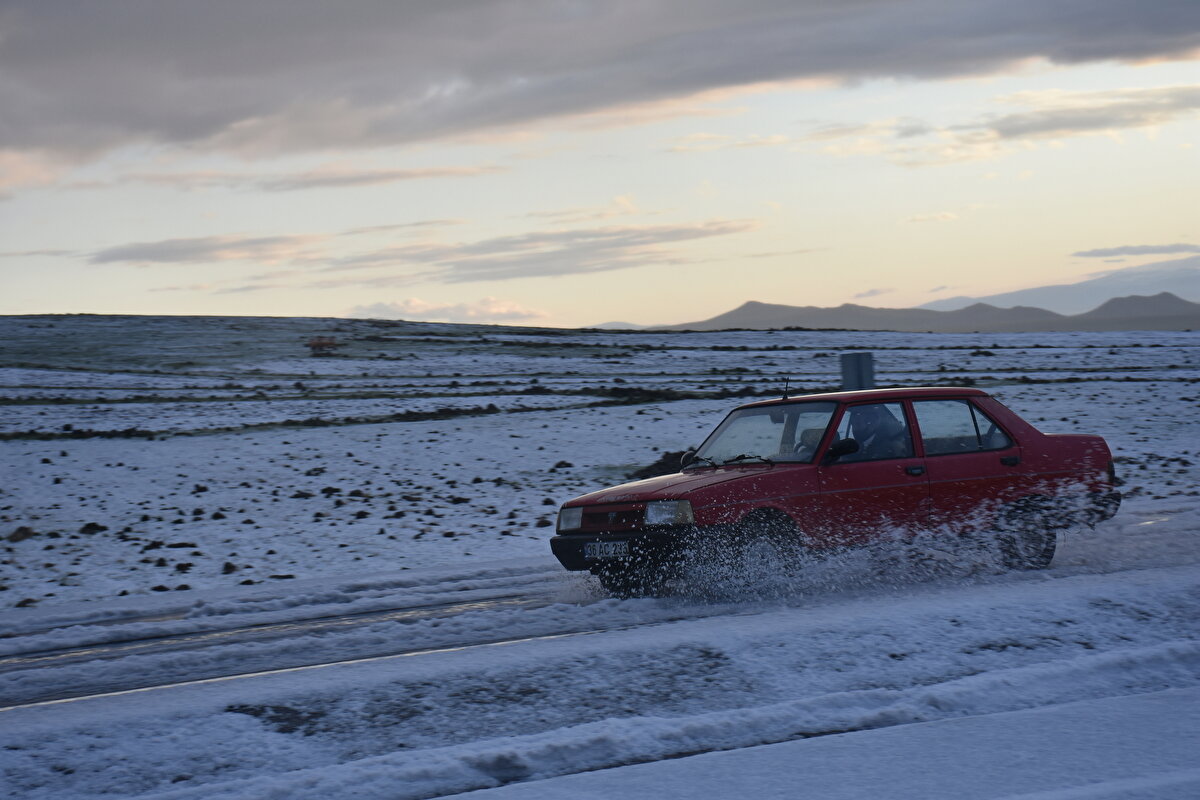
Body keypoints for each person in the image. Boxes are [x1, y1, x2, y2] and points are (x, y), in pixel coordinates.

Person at [846, 404, 912, 460]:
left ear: (872, 423)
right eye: (853, 424)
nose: (854, 429)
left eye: (858, 424)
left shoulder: (887, 450)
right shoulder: (861, 445)